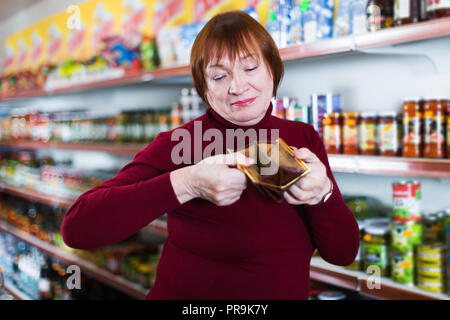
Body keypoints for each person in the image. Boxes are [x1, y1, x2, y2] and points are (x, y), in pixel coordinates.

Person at [61, 10, 359, 300]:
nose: (238, 87)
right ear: (203, 88)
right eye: (219, 76)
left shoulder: (303, 137)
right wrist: (186, 183)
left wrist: (324, 195)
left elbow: (343, 254)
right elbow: (78, 229)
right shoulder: (180, 143)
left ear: (273, 67)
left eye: (250, 67)